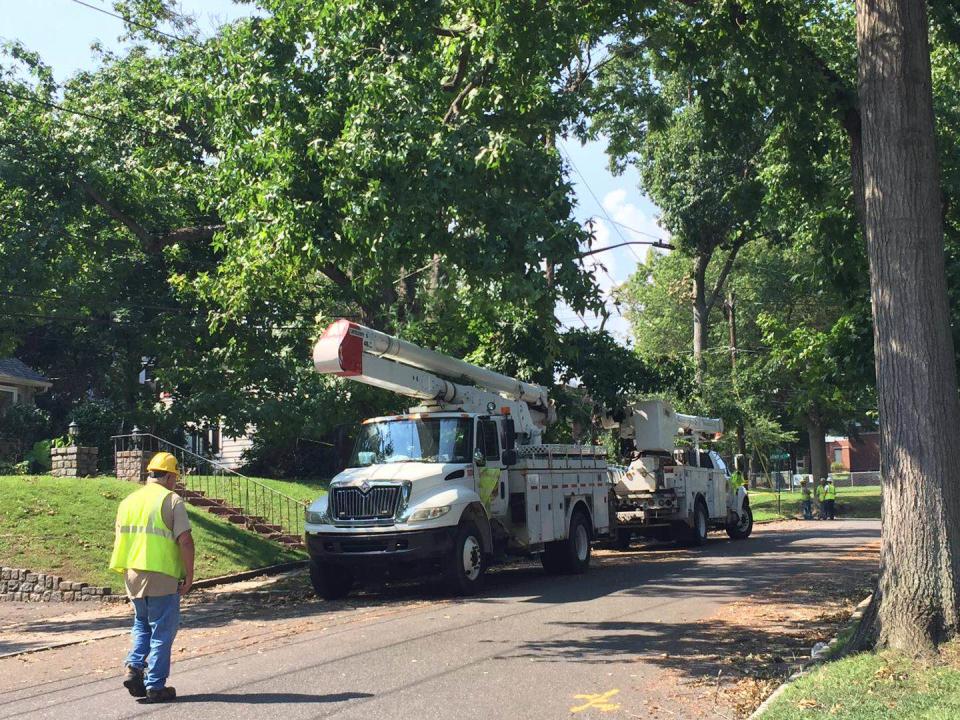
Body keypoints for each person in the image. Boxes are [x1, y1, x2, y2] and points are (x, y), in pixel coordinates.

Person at [109, 452, 194, 704]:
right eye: (175, 478)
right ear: (168, 476)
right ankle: (155, 686)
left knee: (141, 624)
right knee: (162, 632)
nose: (175, 483)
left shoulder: (128, 501)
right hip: (162, 575)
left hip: (132, 574)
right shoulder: (171, 500)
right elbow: (186, 541)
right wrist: (189, 576)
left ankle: (134, 667)